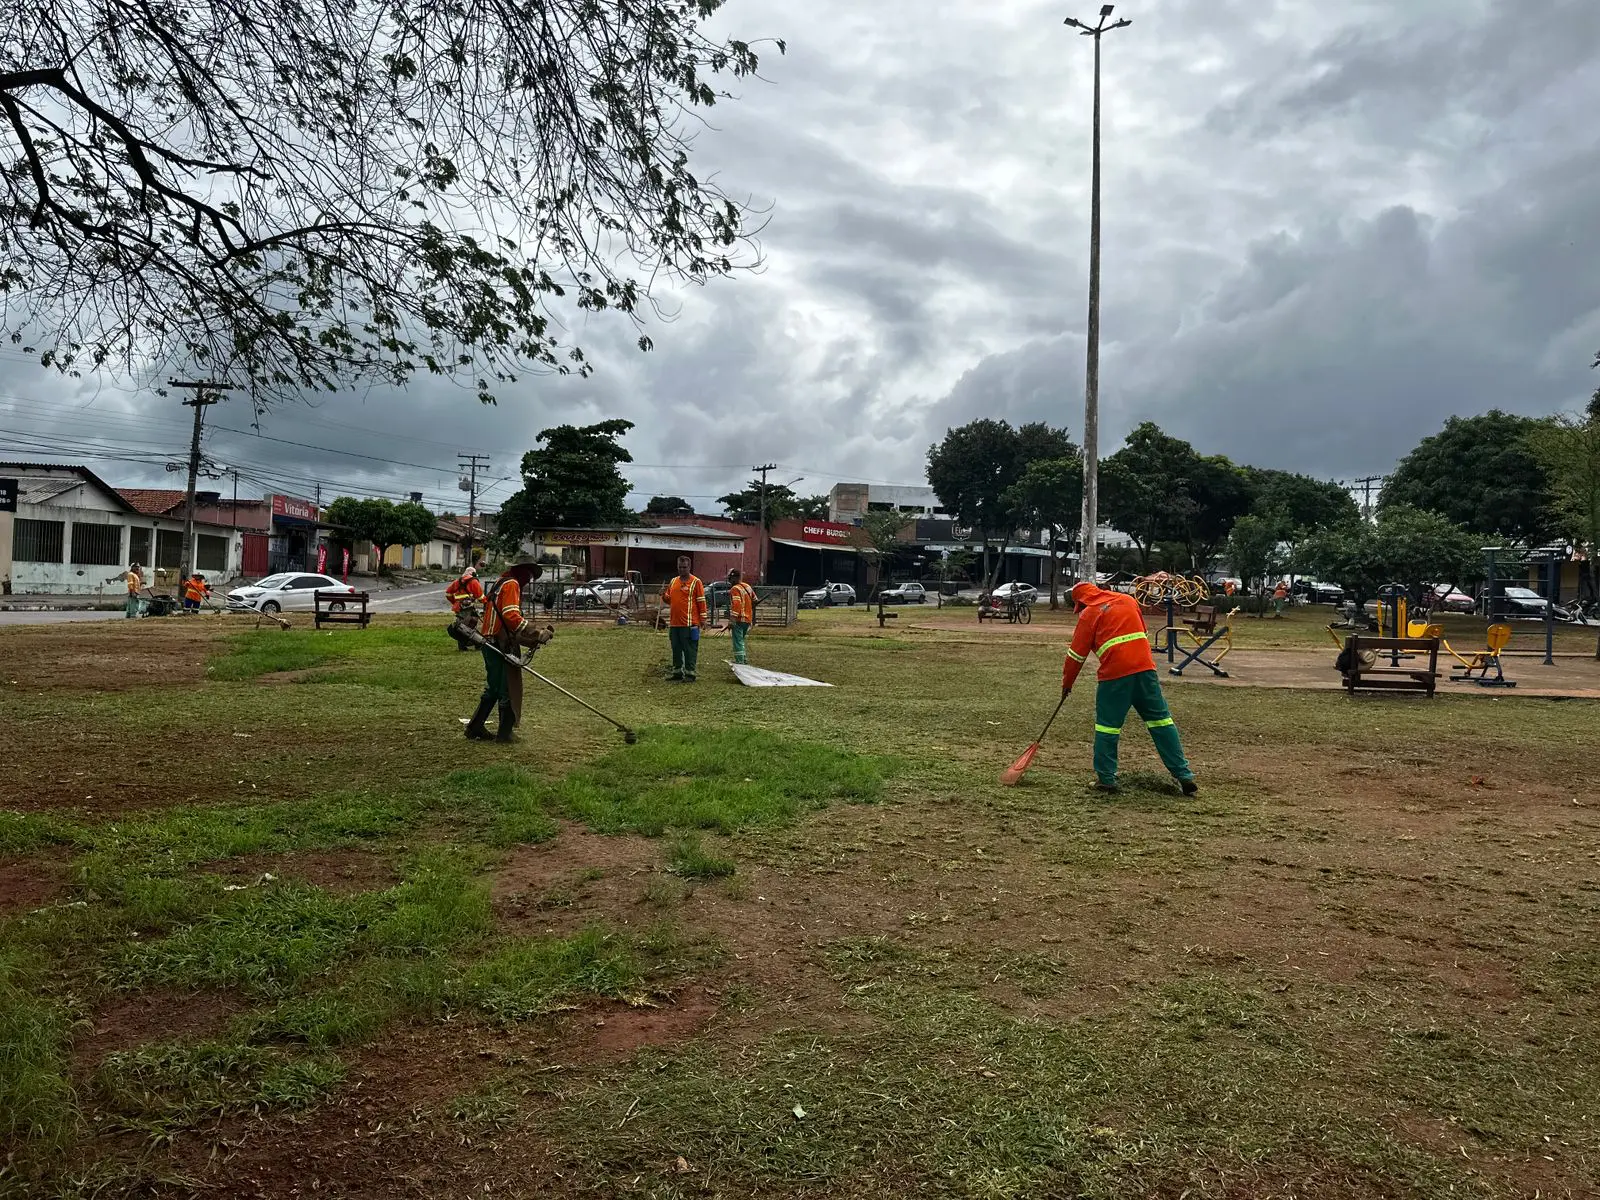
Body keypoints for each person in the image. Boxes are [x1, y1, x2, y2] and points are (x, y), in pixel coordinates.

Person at [1062, 580, 1198, 796]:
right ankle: (1184, 775)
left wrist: (1067, 684)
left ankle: (1106, 780)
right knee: (1161, 721)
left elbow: (1076, 656)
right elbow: (1141, 633)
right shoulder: (1128, 600)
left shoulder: (1089, 614)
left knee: (1107, 727)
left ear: (1081, 601)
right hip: (1146, 671)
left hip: (1115, 677)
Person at [466, 561, 541, 741]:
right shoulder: (512, 584)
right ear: (522, 573)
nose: (528, 581)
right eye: (529, 577)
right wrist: (534, 631)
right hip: (499, 644)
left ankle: (475, 727)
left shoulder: (500, 582)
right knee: (507, 687)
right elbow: (510, 615)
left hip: (488, 641)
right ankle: (505, 733)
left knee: (494, 688)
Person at [660, 556, 708, 681]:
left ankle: (690, 673)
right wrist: (663, 595)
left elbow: (701, 602)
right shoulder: (673, 581)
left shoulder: (696, 582)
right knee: (675, 648)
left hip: (690, 623)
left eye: (684, 567)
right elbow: (669, 600)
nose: (682, 570)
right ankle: (677, 672)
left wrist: (703, 619)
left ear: (689, 567)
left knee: (689, 649)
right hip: (674, 623)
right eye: (680, 567)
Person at [445, 556, 485, 649]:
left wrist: (455, 602)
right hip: (468, 607)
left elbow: (448, 593)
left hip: (459, 607)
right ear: (473, 573)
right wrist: (486, 603)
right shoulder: (473, 581)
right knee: (470, 624)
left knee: (462, 625)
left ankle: (463, 644)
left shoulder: (457, 581)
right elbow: (480, 596)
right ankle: (475, 643)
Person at [726, 568, 757, 665]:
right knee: (741, 641)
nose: (729, 581)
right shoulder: (747, 586)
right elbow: (755, 600)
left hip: (739, 620)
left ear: (734, 578)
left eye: (730, 578)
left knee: (737, 641)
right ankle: (743, 659)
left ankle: (740, 661)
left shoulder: (735, 589)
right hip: (748, 619)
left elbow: (737, 604)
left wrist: (732, 620)